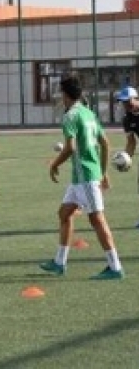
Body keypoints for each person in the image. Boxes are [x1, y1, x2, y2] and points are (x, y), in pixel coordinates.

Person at [40, 76, 124, 280]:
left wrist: (54, 164)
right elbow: (105, 143)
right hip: (81, 177)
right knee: (64, 213)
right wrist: (104, 173)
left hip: (85, 176)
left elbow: (70, 147)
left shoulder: (70, 116)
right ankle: (59, 263)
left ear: (65, 95)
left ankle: (115, 267)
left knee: (96, 219)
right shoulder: (89, 113)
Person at [116, 86, 139, 226]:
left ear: (136, 98)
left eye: (128, 101)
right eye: (123, 102)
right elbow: (131, 142)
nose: (126, 104)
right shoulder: (127, 119)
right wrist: (126, 158)